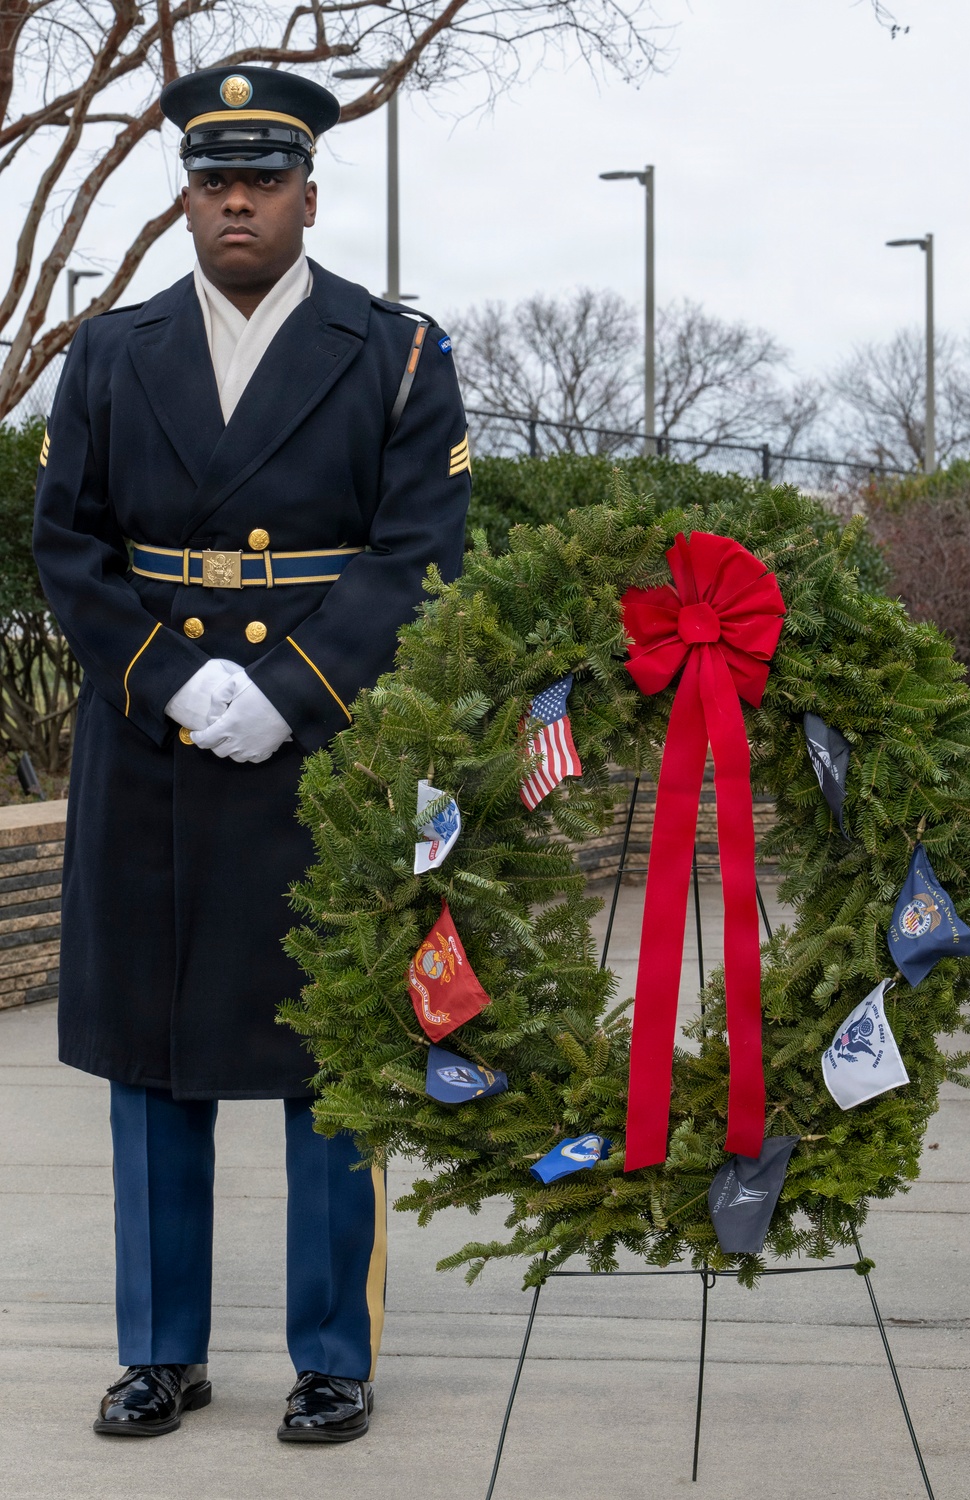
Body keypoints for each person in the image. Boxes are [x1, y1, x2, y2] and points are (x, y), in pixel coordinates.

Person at [32, 64, 471, 1443]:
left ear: (307, 196)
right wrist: (168, 680)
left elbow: (422, 555)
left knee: (331, 1054)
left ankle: (331, 1355)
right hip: (153, 755)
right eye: (216, 179)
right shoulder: (109, 354)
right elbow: (68, 547)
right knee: (156, 1062)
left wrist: (294, 686)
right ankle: (162, 1352)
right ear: (185, 196)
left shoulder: (395, 353)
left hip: (322, 755)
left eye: (263, 179)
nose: (238, 200)